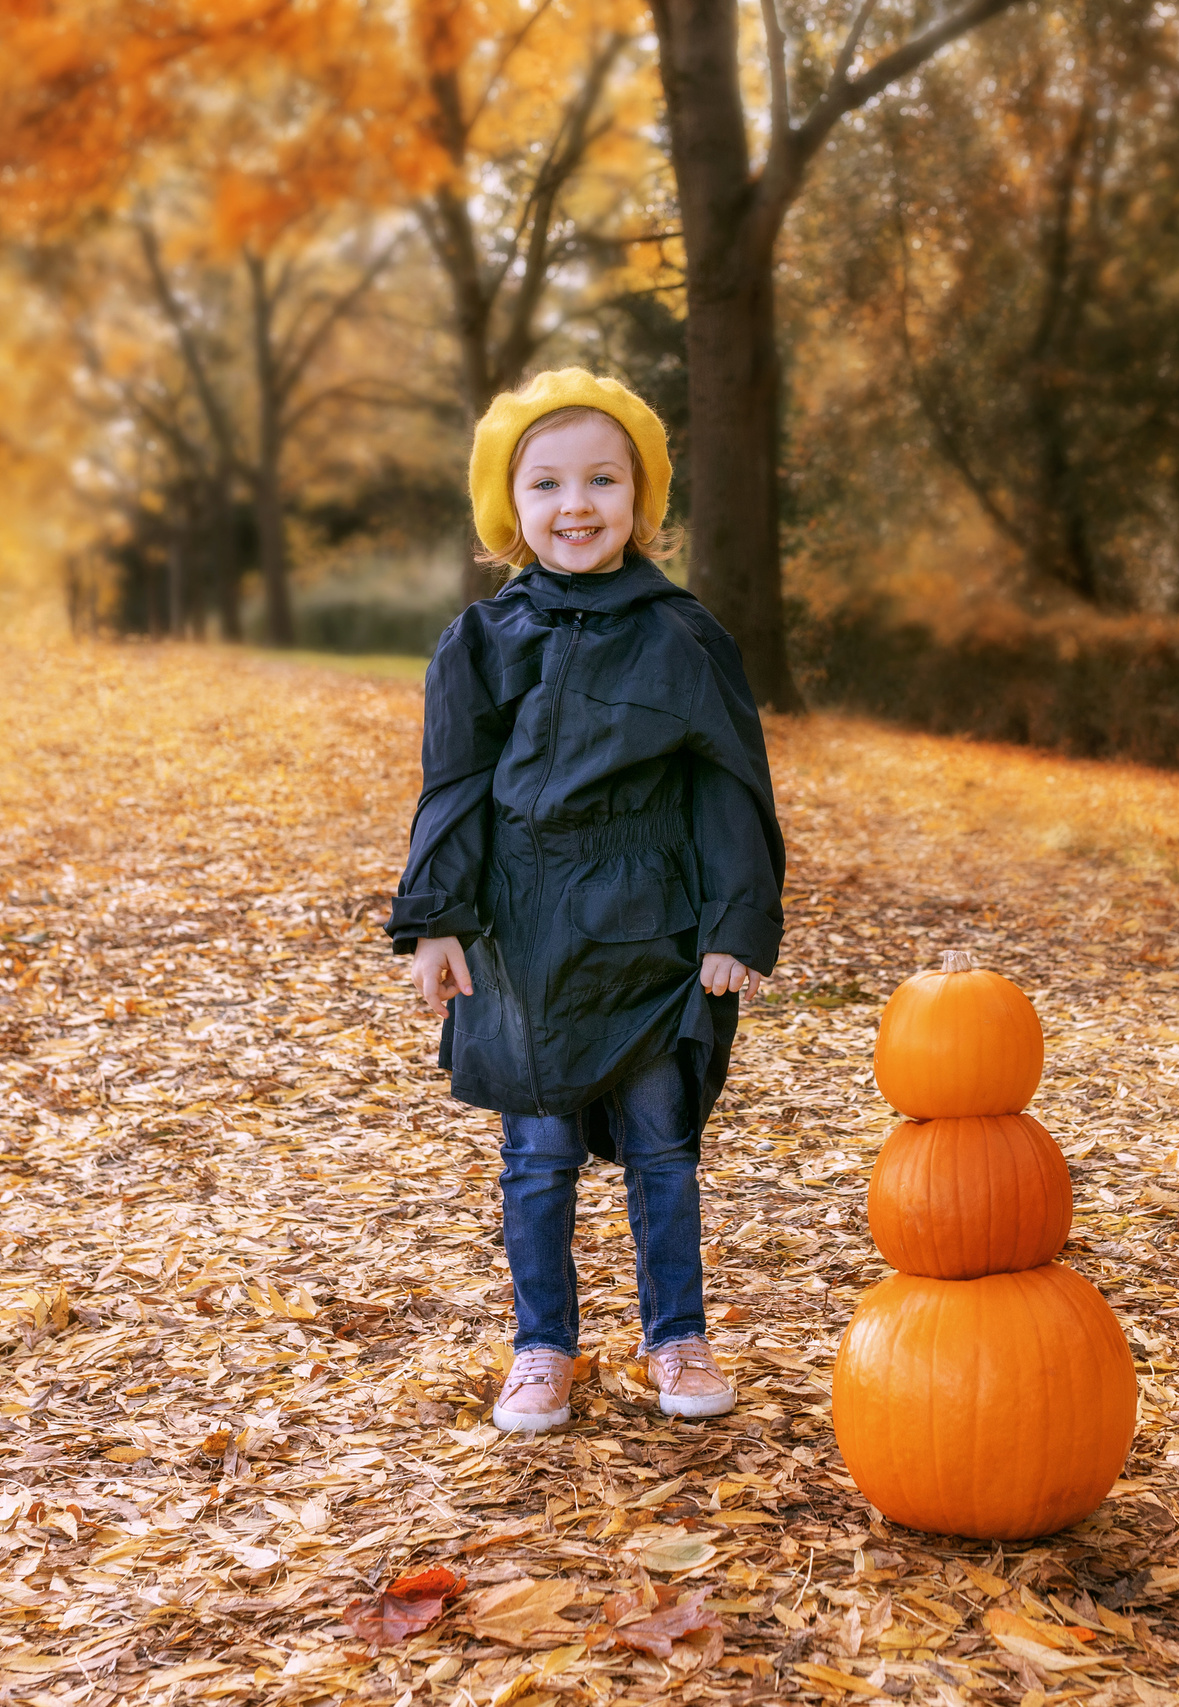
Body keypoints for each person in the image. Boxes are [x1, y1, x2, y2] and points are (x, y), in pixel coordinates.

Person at [388, 368, 785, 1433]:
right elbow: (454, 785)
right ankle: (543, 1346)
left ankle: (675, 1335)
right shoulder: (481, 641)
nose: (576, 505)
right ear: (508, 509)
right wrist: (435, 918)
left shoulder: (681, 636)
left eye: (603, 480)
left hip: (649, 932)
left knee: (662, 1146)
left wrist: (733, 922)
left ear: (639, 500)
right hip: (524, 937)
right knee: (538, 1155)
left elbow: (729, 786)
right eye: (548, 483)